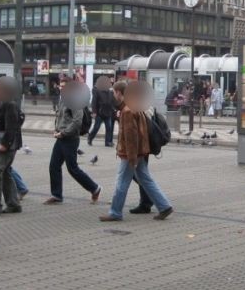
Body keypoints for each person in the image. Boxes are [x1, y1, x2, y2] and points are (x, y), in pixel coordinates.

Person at [101, 80, 173, 222]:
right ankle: (164, 206)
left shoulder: (127, 111)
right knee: (146, 179)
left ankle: (115, 212)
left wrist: (132, 158)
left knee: (122, 181)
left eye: (114, 93)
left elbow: (131, 137)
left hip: (130, 154)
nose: (114, 96)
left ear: (119, 93)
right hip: (141, 151)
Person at [44, 78, 102, 205]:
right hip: (61, 138)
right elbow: (60, 117)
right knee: (54, 166)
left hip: (70, 139)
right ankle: (57, 195)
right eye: (61, 86)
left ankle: (94, 188)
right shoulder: (63, 100)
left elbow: (77, 121)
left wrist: (64, 132)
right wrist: (56, 130)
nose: (62, 88)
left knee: (72, 168)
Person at [0, 77, 24, 217]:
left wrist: (5, 144)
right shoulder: (3, 104)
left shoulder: (9, 105)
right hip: (3, 145)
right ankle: (13, 204)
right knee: (5, 173)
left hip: (6, 146)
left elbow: (12, 127)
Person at [88, 77, 116, 147]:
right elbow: (94, 102)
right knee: (96, 127)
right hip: (100, 113)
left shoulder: (110, 92)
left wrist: (114, 109)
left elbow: (111, 102)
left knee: (109, 128)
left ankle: (107, 142)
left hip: (108, 113)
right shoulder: (98, 91)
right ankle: (90, 138)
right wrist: (94, 112)